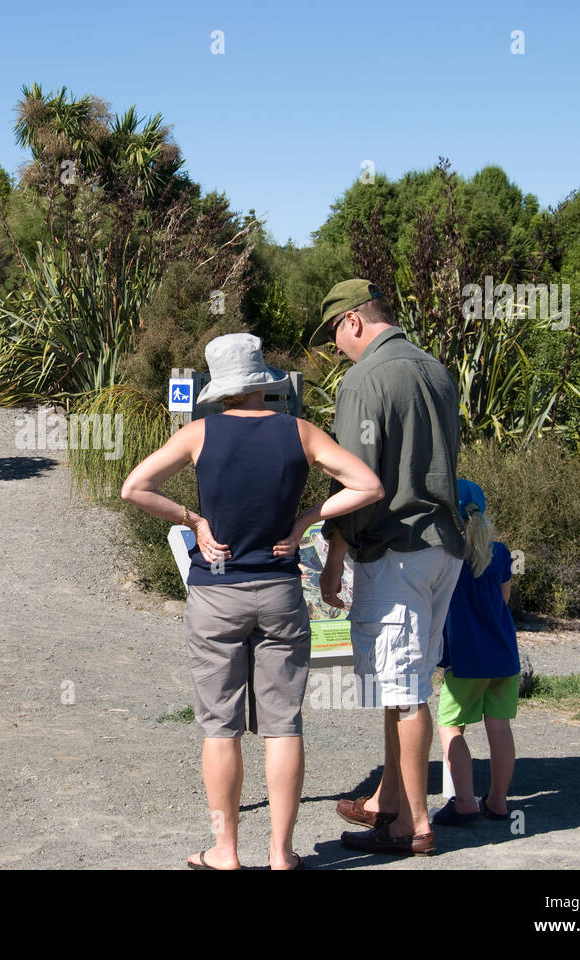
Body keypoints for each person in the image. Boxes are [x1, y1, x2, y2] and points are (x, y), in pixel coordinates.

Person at [120, 332, 383, 870]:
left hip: (215, 592)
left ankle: (225, 851)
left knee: (221, 727)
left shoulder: (199, 434)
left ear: (220, 388)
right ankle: (282, 854)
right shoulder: (300, 432)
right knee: (283, 725)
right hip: (281, 591)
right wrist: (309, 518)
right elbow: (368, 485)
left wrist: (192, 520)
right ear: (265, 383)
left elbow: (134, 487)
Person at [307, 279, 466, 857]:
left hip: (395, 547)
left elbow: (357, 480)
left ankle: (411, 827)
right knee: (409, 683)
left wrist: (333, 557)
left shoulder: (366, 378)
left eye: (333, 334)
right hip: (441, 545)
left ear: (352, 321)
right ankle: (390, 801)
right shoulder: (437, 370)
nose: (335, 347)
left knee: (403, 691)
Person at [432, 479, 519, 825]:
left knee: (450, 726)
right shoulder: (500, 552)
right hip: (504, 656)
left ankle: (464, 801)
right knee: (499, 727)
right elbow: (504, 600)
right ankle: (498, 801)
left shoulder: (446, 556)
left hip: (466, 661)